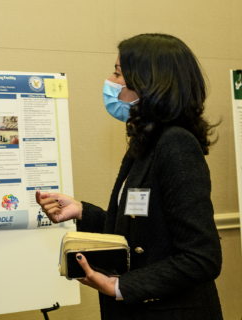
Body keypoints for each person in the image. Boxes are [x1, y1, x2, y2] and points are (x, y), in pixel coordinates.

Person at [36, 33, 223, 320]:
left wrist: (121, 286)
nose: (110, 81)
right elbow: (142, 227)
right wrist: (83, 212)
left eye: (118, 73)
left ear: (149, 82)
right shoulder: (146, 141)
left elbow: (202, 258)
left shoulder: (176, 144)